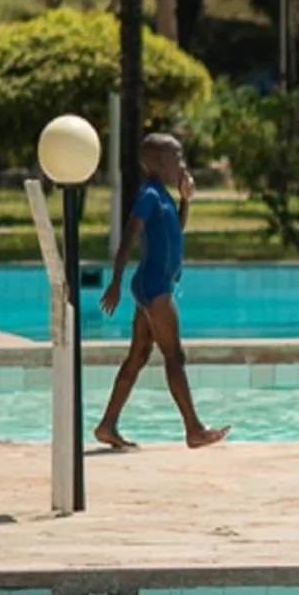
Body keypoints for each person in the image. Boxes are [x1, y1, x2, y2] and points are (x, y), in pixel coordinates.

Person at [95, 133, 231, 450]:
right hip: (155, 287)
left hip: (154, 285)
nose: (182, 163)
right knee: (175, 355)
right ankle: (194, 429)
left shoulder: (164, 196)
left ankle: (107, 425)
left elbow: (176, 229)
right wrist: (114, 281)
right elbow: (129, 236)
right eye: (177, 157)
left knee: (139, 356)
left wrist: (185, 199)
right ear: (157, 162)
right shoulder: (149, 196)